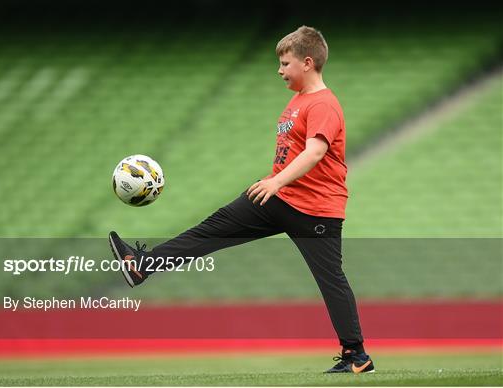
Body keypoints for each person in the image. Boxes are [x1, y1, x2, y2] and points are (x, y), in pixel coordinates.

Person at [109, 26, 375, 374]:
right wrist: (274, 180)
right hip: (279, 197)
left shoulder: (324, 103)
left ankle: (357, 356)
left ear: (307, 63)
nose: (280, 70)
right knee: (211, 229)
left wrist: (276, 180)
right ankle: (142, 266)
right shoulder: (297, 101)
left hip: (315, 209)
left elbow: (315, 152)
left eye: (285, 63)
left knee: (330, 279)